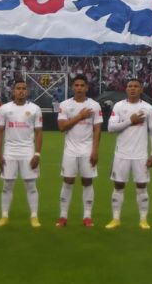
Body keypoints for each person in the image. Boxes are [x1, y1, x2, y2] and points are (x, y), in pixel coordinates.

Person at [105, 78, 152, 230]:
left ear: (141, 89)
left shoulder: (148, 108)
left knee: (141, 187)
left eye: (136, 86)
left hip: (140, 155)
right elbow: (110, 128)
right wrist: (130, 121)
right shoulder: (119, 106)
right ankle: (116, 219)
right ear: (126, 89)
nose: (133, 89)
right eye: (130, 86)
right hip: (121, 154)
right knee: (118, 186)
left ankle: (143, 220)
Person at [0, 80, 43, 228]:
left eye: (23, 88)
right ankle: (4, 216)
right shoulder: (4, 109)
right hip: (10, 152)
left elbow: (39, 133)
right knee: (7, 184)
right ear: (13, 91)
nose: (21, 91)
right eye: (18, 88)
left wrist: (37, 154)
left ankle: (34, 216)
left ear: (27, 91)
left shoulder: (35, 109)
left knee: (31, 185)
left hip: (28, 151)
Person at [56, 75, 102, 227]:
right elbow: (62, 127)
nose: (79, 88)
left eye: (82, 85)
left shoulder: (94, 105)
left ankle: (87, 217)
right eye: (76, 85)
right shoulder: (64, 105)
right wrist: (80, 116)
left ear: (87, 88)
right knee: (68, 181)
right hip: (70, 150)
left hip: (87, 150)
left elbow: (97, 129)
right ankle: (63, 216)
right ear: (72, 87)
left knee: (87, 182)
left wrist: (95, 150)